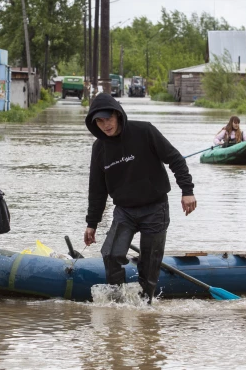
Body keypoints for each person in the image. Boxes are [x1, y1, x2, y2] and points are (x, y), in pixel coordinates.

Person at [83, 93, 197, 303]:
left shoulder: (144, 131)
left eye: (108, 118)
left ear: (117, 115)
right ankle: (119, 303)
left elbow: (175, 159)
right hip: (125, 211)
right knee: (110, 254)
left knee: (150, 264)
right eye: (99, 121)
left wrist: (187, 190)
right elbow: (97, 189)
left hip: (155, 208)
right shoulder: (99, 148)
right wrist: (92, 223)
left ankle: (146, 307)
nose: (105, 125)